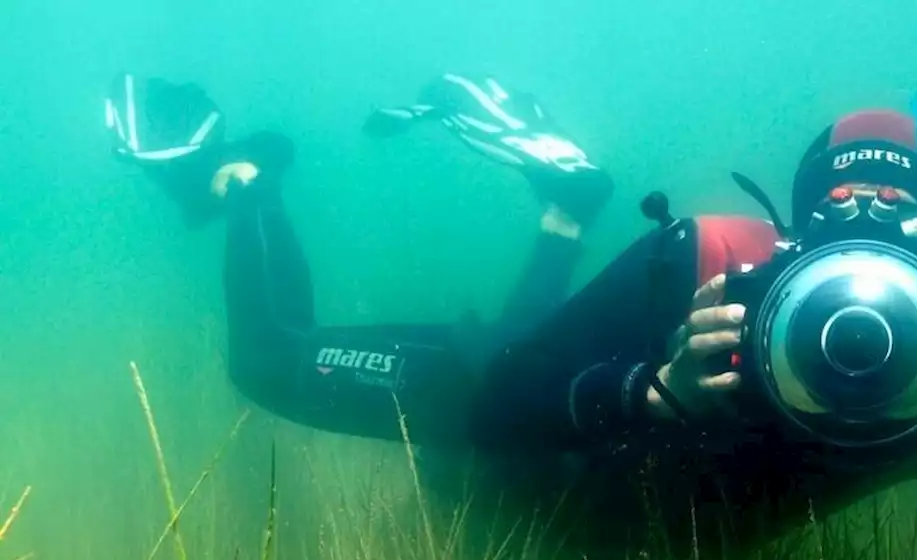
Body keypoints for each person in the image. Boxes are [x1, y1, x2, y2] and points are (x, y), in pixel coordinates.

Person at [465, 109, 917, 560]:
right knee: (475, 377)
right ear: (793, 238)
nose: (865, 227)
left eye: (900, 212)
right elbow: (492, 405)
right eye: (838, 203)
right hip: (540, 498)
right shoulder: (704, 267)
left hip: (650, 548)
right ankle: (566, 215)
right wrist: (653, 392)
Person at [104, 71, 613, 446]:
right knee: (271, 362)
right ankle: (247, 179)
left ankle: (565, 218)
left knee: (515, 372)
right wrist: (646, 396)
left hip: (564, 392)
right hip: (569, 395)